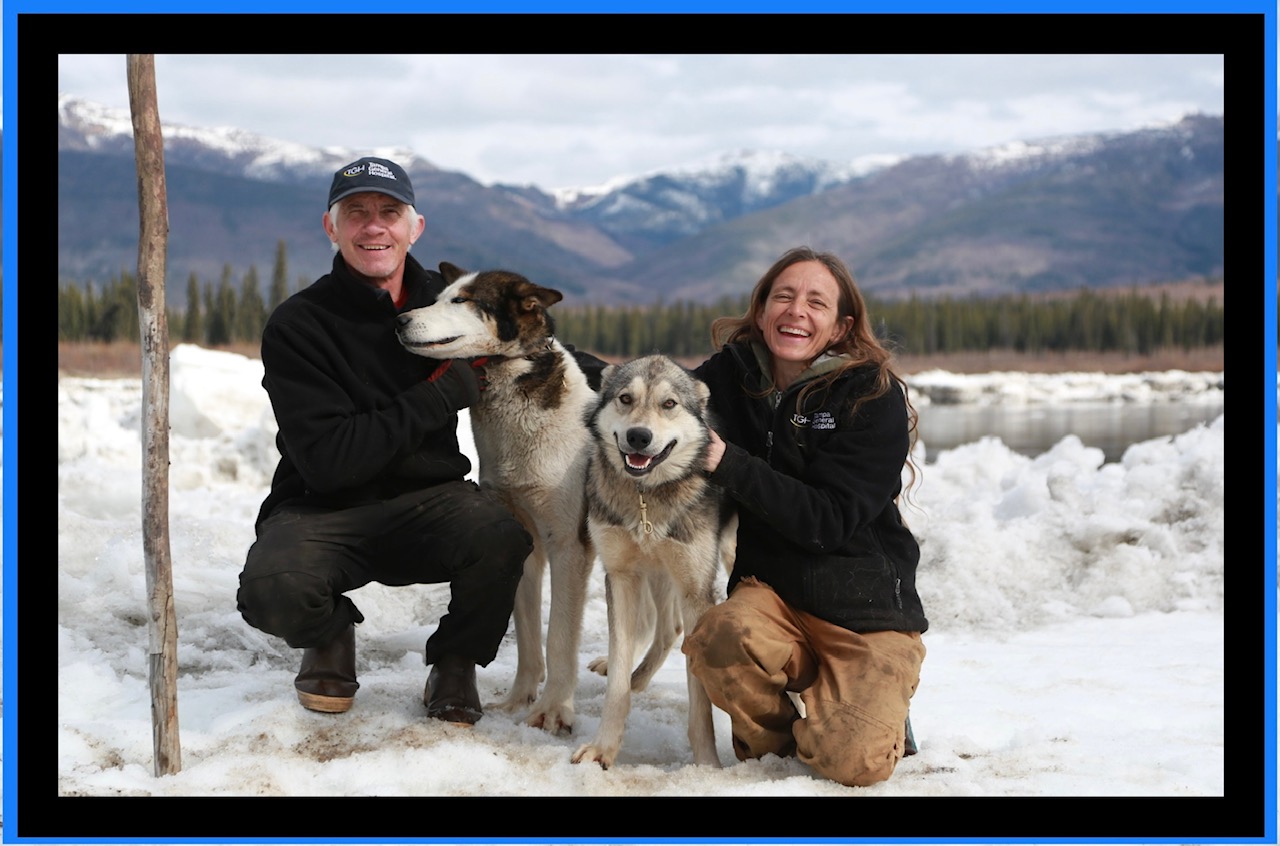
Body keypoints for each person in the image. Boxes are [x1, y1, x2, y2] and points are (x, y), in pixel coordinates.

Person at [236, 156, 533, 725]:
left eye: (389, 213)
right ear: (332, 227)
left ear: (414, 227)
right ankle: (329, 633)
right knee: (273, 588)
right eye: (356, 213)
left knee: (502, 536)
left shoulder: (452, 303)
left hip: (430, 500)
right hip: (322, 507)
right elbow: (327, 463)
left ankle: (455, 661)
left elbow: (529, 348)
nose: (374, 227)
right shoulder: (299, 325)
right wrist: (443, 394)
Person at [683, 245, 928, 787]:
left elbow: (830, 520)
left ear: (841, 326)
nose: (796, 310)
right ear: (762, 309)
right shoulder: (731, 377)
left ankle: (861, 708)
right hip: (774, 598)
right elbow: (663, 393)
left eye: (816, 303)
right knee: (717, 638)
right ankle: (781, 749)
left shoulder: (871, 394)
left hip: (864, 611)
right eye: (784, 296)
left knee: (853, 762)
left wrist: (731, 464)